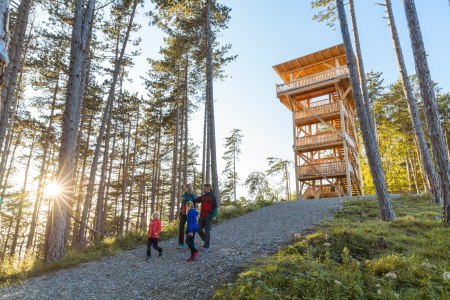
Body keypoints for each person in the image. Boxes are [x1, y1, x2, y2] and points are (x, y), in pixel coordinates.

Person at [194, 183, 218, 252]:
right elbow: (196, 200)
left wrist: (214, 215)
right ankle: (206, 239)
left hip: (209, 216)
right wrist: (190, 200)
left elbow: (215, 207)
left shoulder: (212, 197)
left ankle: (206, 246)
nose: (203, 189)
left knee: (207, 231)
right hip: (202, 216)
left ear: (208, 188)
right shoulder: (203, 197)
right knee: (198, 229)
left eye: (204, 188)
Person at [178, 184, 196, 249]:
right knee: (181, 228)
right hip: (183, 213)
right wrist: (180, 213)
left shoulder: (192, 195)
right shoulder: (184, 195)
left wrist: (194, 214)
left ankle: (191, 242)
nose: (184, 188)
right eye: (184, 187)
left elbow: (192, 203)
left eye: (185, 187)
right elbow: (182, 205)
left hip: (190, 214)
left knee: (190, 228)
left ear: (189, 188)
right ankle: (181, 244)